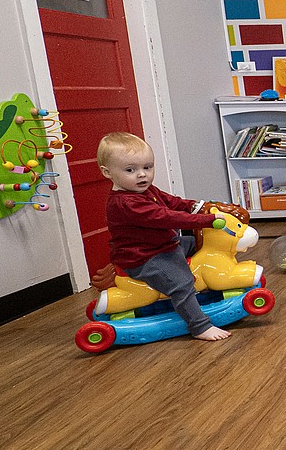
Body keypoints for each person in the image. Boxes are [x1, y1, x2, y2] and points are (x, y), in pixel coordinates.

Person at [97, 131, 231, 342]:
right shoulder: (126, 203)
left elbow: (173, 202)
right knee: (182, 281)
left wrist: (200, 206)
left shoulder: (147, 190)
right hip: (143, 257)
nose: (142, 175)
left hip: (164, 245)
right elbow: (166, 217)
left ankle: (212, 281)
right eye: (130, 170)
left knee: (202, 243)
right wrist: (207, 220)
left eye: (147, 168)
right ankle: (199, 326)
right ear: (107, 172)